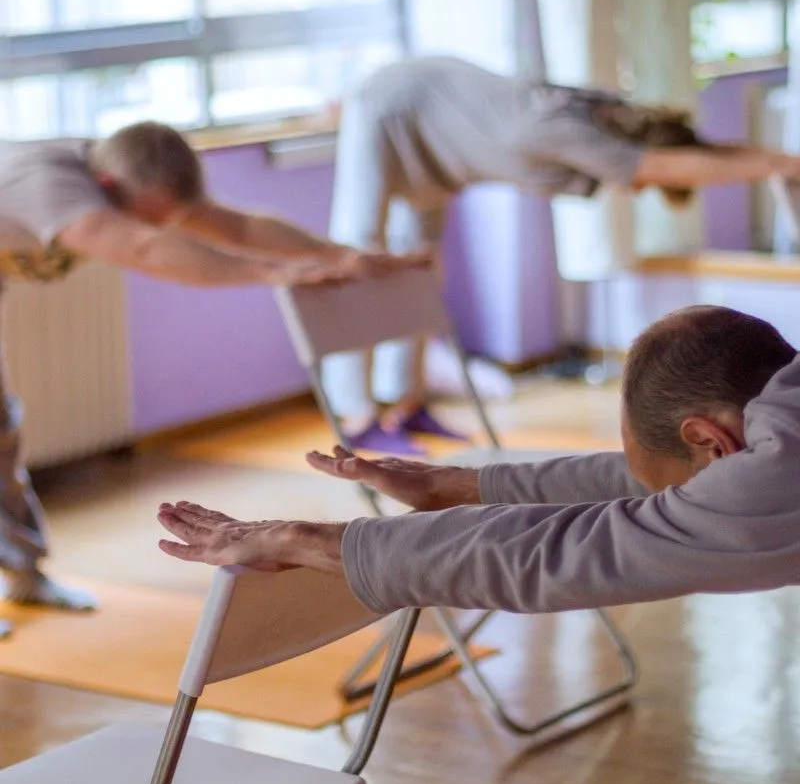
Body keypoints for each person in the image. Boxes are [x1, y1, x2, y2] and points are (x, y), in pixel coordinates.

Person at [0, 121, 429, 639]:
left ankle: (24, 575)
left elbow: (241, 229)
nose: (167, 226)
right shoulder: (55, 188)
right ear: (111, 189)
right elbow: (145, 250)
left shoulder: (129, 167)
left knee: (3, 435)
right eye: (154, 216)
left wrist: (337, 256)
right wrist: (273, 274)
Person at [158, 305, 800, 616]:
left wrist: (302, 537)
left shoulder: (778, 474)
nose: (669, 503)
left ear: (715, 443)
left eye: (682, 494)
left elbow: (563, 555)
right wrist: (466, 486)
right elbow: (627, 487)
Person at [323, 54, 800, 455]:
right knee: (357, 254)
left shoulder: (599, 127)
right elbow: (656, 164)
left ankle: (406, 405)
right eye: (650, 185)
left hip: (434, 144)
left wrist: (774, 161)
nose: (638, 190)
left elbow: (696, 153)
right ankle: (357, 416)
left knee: (423, 270)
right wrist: (777, 164)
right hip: (389, 108)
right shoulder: (559, 130)